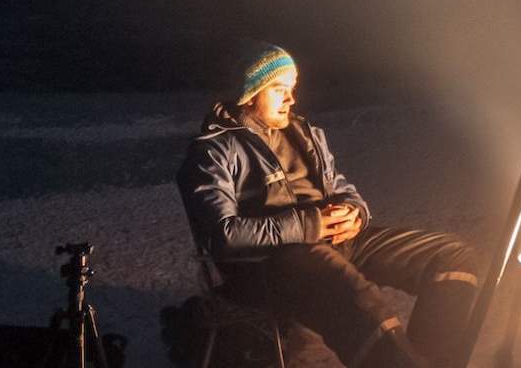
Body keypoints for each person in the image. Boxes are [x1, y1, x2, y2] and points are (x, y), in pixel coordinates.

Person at [176, 43, 480, 368]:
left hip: (336, 241)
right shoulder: (214, 151)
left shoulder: (304, 132)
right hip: (271, 263)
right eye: (280, 90)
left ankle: (435, 360)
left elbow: (340, 186)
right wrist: (310, 225)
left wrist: (355, 212)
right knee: (360, 301)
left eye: (292, 89)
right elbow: (222, 235)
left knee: (451, 256)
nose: (291, 99)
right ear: (250, 93)